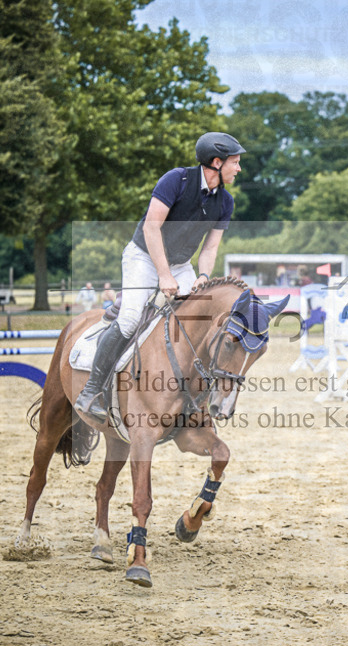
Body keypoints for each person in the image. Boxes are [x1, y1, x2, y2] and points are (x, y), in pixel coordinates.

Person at [74, 131, 246, 427]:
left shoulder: (225, 202)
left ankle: (195, 397)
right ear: (216, 162)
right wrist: (164, 276)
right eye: (235, 162)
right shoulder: (176, 180)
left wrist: (203, 275)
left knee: (200, 322)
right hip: (143, 256)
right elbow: (152, 228)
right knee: (129, 320)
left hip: (180, 264)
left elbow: (210, 247)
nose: (239, 168)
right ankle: (92, 392)